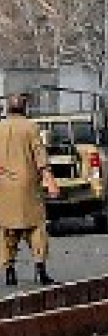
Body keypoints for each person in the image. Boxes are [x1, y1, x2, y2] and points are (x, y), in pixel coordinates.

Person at [0, 92, 59, 286]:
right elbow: (39, 156)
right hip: (27, 185)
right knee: (36, 227)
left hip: (4, 186)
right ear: (24, 108)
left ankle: (9, 270)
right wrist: (49, 180)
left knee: (6, 230)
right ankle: (40, 269)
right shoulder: (31, 127)